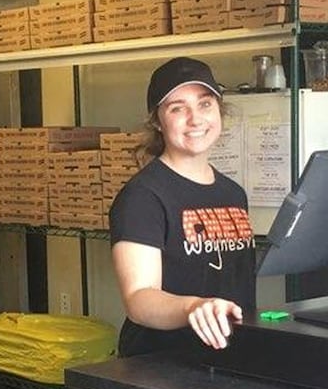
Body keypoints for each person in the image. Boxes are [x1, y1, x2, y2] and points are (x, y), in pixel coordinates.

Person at [108, 57, 257, 357]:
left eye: (204, 104)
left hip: (229, 357)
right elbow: (139, 298)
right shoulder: (143, 196)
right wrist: (193, 307)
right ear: (157, 121)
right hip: (162, 364)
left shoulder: (233, 194)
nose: (195, 119)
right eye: (178, 108)